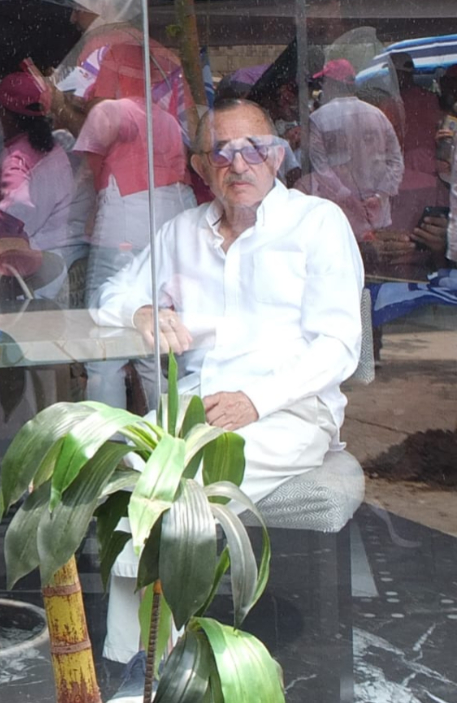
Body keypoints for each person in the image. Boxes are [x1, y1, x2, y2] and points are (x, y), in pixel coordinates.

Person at [94, 99, 363, 666]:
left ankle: (149, 662)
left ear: (279, 156)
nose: (239, 164)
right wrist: (142, 311)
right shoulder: (180, 232)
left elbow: (338, 346)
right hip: (195, 410)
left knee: (172, 485)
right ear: (199, 164)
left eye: (254, 150)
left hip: (288, 411)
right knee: (118, 468)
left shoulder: (317, 223)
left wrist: (254, 401)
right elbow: (111, 298)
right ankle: (135, 668)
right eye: (222, 151)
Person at [76, 42, 196, 412]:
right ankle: (166, 433)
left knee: (105, 347)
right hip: (169, 221)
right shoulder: (167, 120)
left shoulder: (112, 112)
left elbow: (86, 172)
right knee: (150, 342)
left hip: (122, 226)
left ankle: (106, 448)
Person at [0, 66, 90, 302]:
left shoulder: (16, 158)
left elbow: (14, 212)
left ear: (8, 114)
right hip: (63, 262)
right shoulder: (55, 148)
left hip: (35, 280)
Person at [304, 59, 403, 241]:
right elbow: (396, 161)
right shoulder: (378, 115)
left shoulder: (319, 119)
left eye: (324, 83)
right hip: (376, 215)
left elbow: (320, 169)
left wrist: (349, 199)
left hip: (340, 218)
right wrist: (379, 195)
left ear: (332, 84)